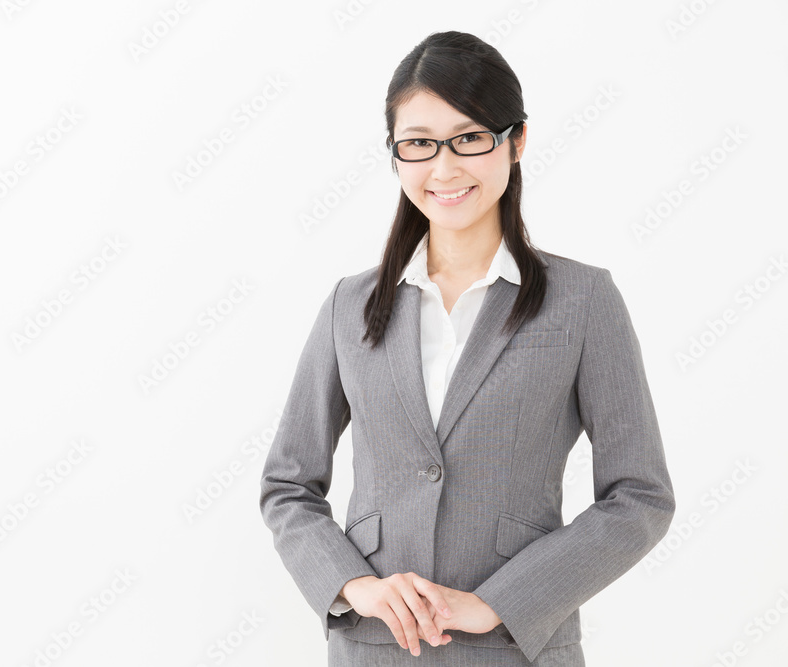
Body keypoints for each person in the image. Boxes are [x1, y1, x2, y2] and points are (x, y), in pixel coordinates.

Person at [259, 30, 675, 666]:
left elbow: (639, 497)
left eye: (470, 138)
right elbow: (288, 484)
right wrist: (356, 587)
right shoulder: (349, 304)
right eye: (419, 143)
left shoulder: (584, 300)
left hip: (515, 648)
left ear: (517, 141)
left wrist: (499, 602)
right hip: (374, 649)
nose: (445, 168)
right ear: (395, 154)